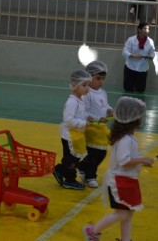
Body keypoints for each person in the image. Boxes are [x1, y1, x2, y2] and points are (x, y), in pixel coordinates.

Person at [83, 96, 155, 241]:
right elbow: (124, 161)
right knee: (122, 214)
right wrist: (142, 159)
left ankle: (125, 239)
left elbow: (127, 159)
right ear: (134, 120)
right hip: (119, 182)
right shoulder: (126, 139)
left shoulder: (127, 137)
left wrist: (141, 162)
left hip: (126, 180)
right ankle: (92, 231)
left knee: (128, 213)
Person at [53, 70, 92, 190]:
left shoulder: (80, 100)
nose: (87, 88)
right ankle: (69, 180)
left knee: (71, 159)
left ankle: (58, 170)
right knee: (72, 161)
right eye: (84, 85)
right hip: (69, 136)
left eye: (88, 85)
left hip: (76, 135)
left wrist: (87, 119)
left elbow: (79, 115)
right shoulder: (71, 102)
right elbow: (68, 120)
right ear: (75, 85)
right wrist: (83, 123)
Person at [78, 61, 113, 188]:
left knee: (102, 153)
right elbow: (85, 111)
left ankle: (82, 167)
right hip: (92, 128)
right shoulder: (87, 93)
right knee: (93, 153)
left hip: (101, 128)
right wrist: (98, 118)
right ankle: (90, 176)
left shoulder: (103, 93)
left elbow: (105, 104)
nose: (101, 82)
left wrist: (109, 109)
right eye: (98, 78)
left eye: (103, 79)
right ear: (88, 77)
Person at [122, 22, 155, 93]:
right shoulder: (131, 39)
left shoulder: (150, 41)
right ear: (139, 30)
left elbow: (152, 54)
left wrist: (150, 57)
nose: (147, 31)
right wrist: (133, 55)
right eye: (145, 28)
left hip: (143, 68)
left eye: (148, 29)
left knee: (140, 89)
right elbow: (124, 52)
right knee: (128, 88)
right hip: (130, 67)